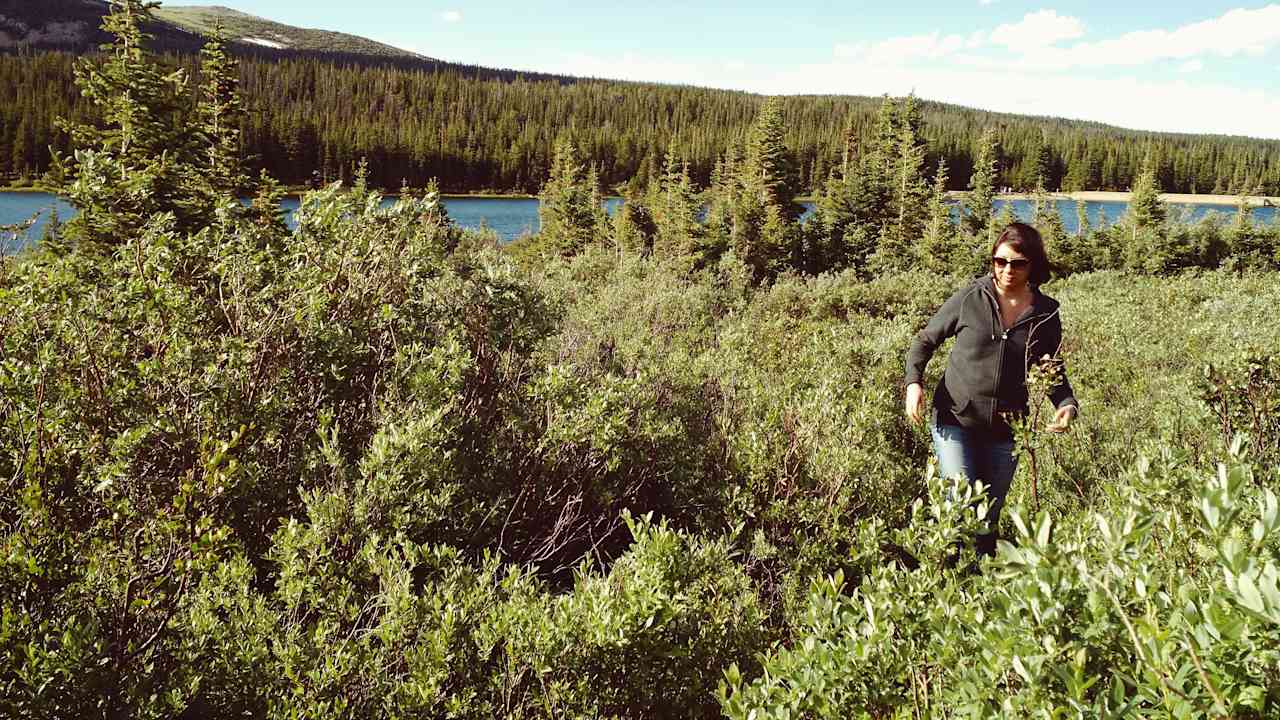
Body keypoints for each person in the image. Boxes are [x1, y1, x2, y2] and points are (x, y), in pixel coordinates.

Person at [903, 222, 1078, 556]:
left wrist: (1066, 404)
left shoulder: (1045, 313)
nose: (1007, 269)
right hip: (955, 419)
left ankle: (981, 589)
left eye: (1017, 263)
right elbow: (924, 342)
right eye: (1000, 261)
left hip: (1006, 429)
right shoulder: (971, 298)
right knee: (961, 505)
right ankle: (944, 583)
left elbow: (1051, 370)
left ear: (1034, 265)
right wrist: (914, 383)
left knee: (987, 520)